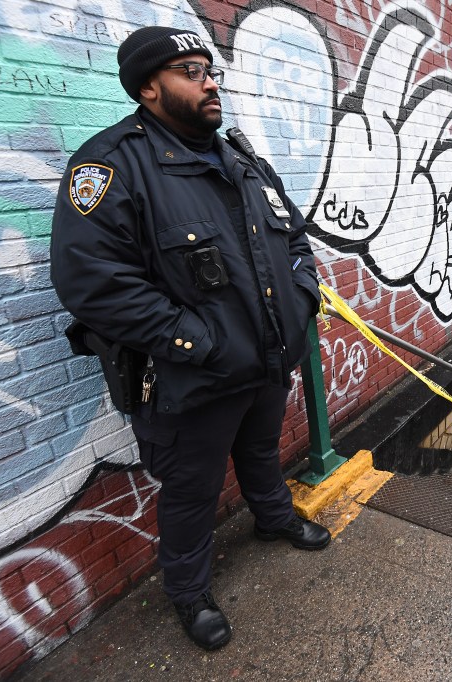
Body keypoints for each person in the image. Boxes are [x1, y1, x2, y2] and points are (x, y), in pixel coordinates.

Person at [50, 26, 331, 651]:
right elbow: (93, 284)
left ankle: (274, 520)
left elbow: (295, 240)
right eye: (189, 71)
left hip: (266, 359)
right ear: (149, 88)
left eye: (211, 70)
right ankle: (189, 593)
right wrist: (196, 341)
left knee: (261, 453)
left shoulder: (240, 159)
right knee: (191, 492)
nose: (209, 82)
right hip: (192, 376)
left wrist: (303, 298)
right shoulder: (112, 166)